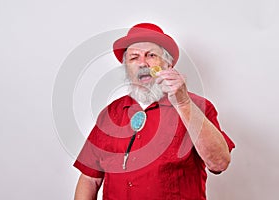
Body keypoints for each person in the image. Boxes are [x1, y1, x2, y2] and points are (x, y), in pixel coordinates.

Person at [73, 23, 235, 200]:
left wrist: (183, 103)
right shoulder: (110, 113)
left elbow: (219, 163)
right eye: (134, 57)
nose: (142, 63)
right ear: (126, 67)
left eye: (151, 55)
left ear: (167, 64)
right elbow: (90, 179)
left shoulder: (198, 106)